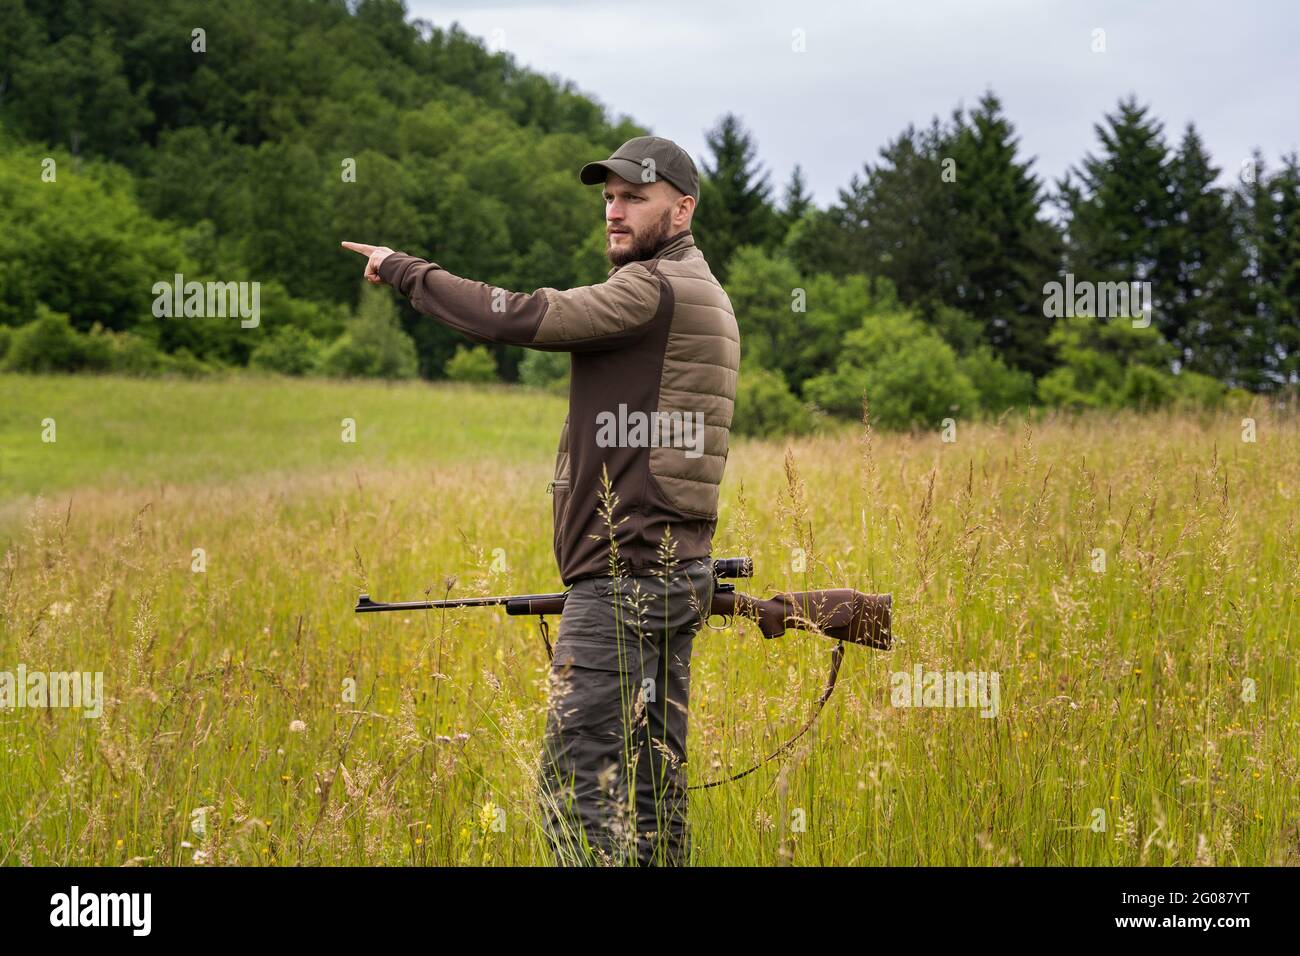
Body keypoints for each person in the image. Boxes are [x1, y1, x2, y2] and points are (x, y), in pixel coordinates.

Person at [342, 135, 739, 866]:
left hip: (623, 587)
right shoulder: (704, 293)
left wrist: (406, 272)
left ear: (681, 210)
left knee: (577, 794)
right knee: (650, 803)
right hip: (671, 576)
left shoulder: (653, 290)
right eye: (609, 199)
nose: (615, 213)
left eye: (634, 199)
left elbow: (515, 315)